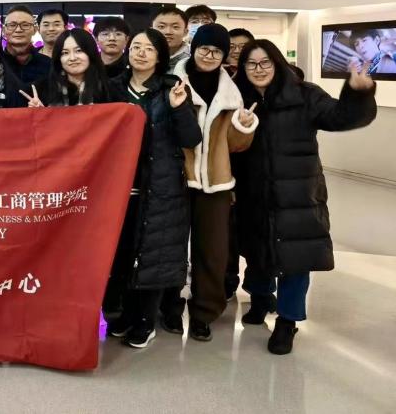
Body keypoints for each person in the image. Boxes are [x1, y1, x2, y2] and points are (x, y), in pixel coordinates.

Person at [232, 39, 376, 355]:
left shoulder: (304, 95)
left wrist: (358, 92)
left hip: (297, 193)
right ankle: (260, 299)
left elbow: (341, 117)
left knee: (296, 258)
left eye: (265, 62)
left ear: (278, 63)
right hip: (253, 192)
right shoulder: (237, 97)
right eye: (251, 64)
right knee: (256, 250)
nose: (258, 69)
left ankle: (288, 321)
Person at [102, 29, 201, 349]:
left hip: (160, 185)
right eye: (136, 47)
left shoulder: (173, 88)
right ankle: (124, 315)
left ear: (160, 56)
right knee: (121, 255)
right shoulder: (112, 87)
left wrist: (178, 108)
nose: (141, 53)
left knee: (153, 254)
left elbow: (191, 139)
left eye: (149, 48)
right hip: (118, 186)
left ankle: (146, 321)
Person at [159, 24, 258, 342]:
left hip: (216, 183)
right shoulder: (172, 81)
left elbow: (235, 146)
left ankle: (204, 313)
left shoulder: (231, 93)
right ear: (194, 48)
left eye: (217, 51)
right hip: (177, 178)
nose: (210, 55)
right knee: (171, 248)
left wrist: (243, 127)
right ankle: (170, 307)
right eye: (204, 49)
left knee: (213, 252)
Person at [27, 29, 112, 107]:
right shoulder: (43, 88)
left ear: (90, 53)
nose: (72, 58)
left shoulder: (108, 87)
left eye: (78, 51)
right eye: (65, 53)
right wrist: (41, 113)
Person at [1, 5, 52, 84]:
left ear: (35, 30)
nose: (18, 30)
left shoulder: (48, 64)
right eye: (12, 25)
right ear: (4, 30)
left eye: (25, 25)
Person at [152, 6, 189, 72]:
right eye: (161, 26)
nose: (168, 32)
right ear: (151, 30)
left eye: (175, 27)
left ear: (185, 32)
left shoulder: (193, 59)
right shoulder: (140, 56)